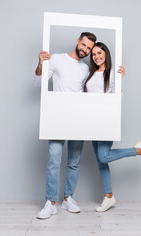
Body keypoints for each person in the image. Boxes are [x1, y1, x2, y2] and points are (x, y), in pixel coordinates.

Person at [83, 42, 141, 212]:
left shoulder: (114, 74)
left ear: (106, 54)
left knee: (104, 157)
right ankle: (109, 196)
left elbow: (117, 97)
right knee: (101, 161)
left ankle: (137, 150)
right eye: (93, 54)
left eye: (99, 53)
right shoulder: (90, 75)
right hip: (92, 121)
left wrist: (120, 77)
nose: (96, 57)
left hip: (106, 119)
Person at [34, 32, 97, 219]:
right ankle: (50, 202)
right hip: (56, 116)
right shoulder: (57, 59)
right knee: (54, 159)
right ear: (77, 41)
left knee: (74, 161)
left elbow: (94, 91)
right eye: (84, 45)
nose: (85, 50)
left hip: (77, 118)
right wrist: (40, 64)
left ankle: (68, 198)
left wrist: (119, 77)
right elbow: (39, 83)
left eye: (89, 48)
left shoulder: (86, 69)